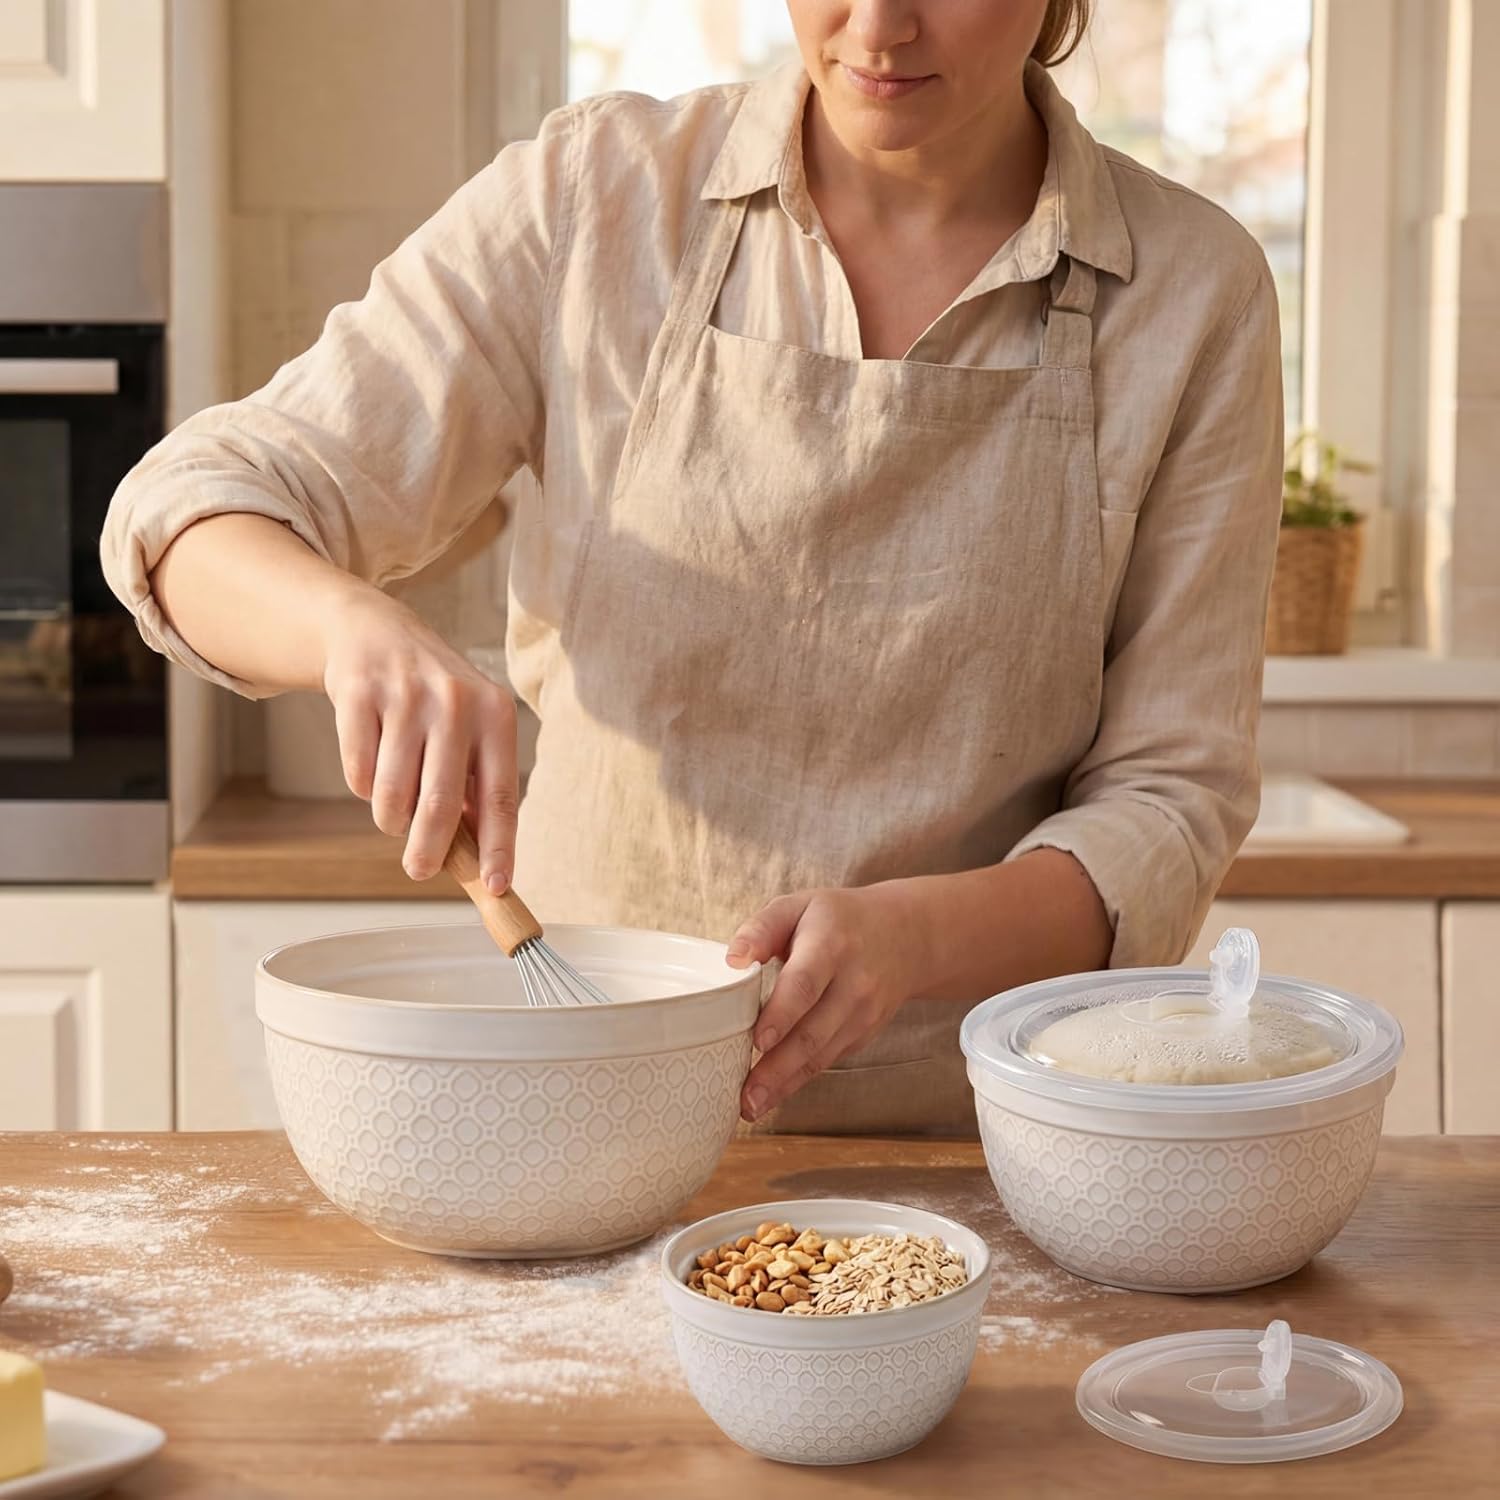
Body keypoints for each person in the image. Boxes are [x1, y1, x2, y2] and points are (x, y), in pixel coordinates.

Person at [102, 0, 1283, 1135]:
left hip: (980, 1152)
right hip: (581, 1107)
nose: (877, 25)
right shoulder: (599, 198)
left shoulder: (1189, 292)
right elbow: (188, 506)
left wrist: (916, 941)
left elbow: (1172, 802)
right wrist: (347, 627)